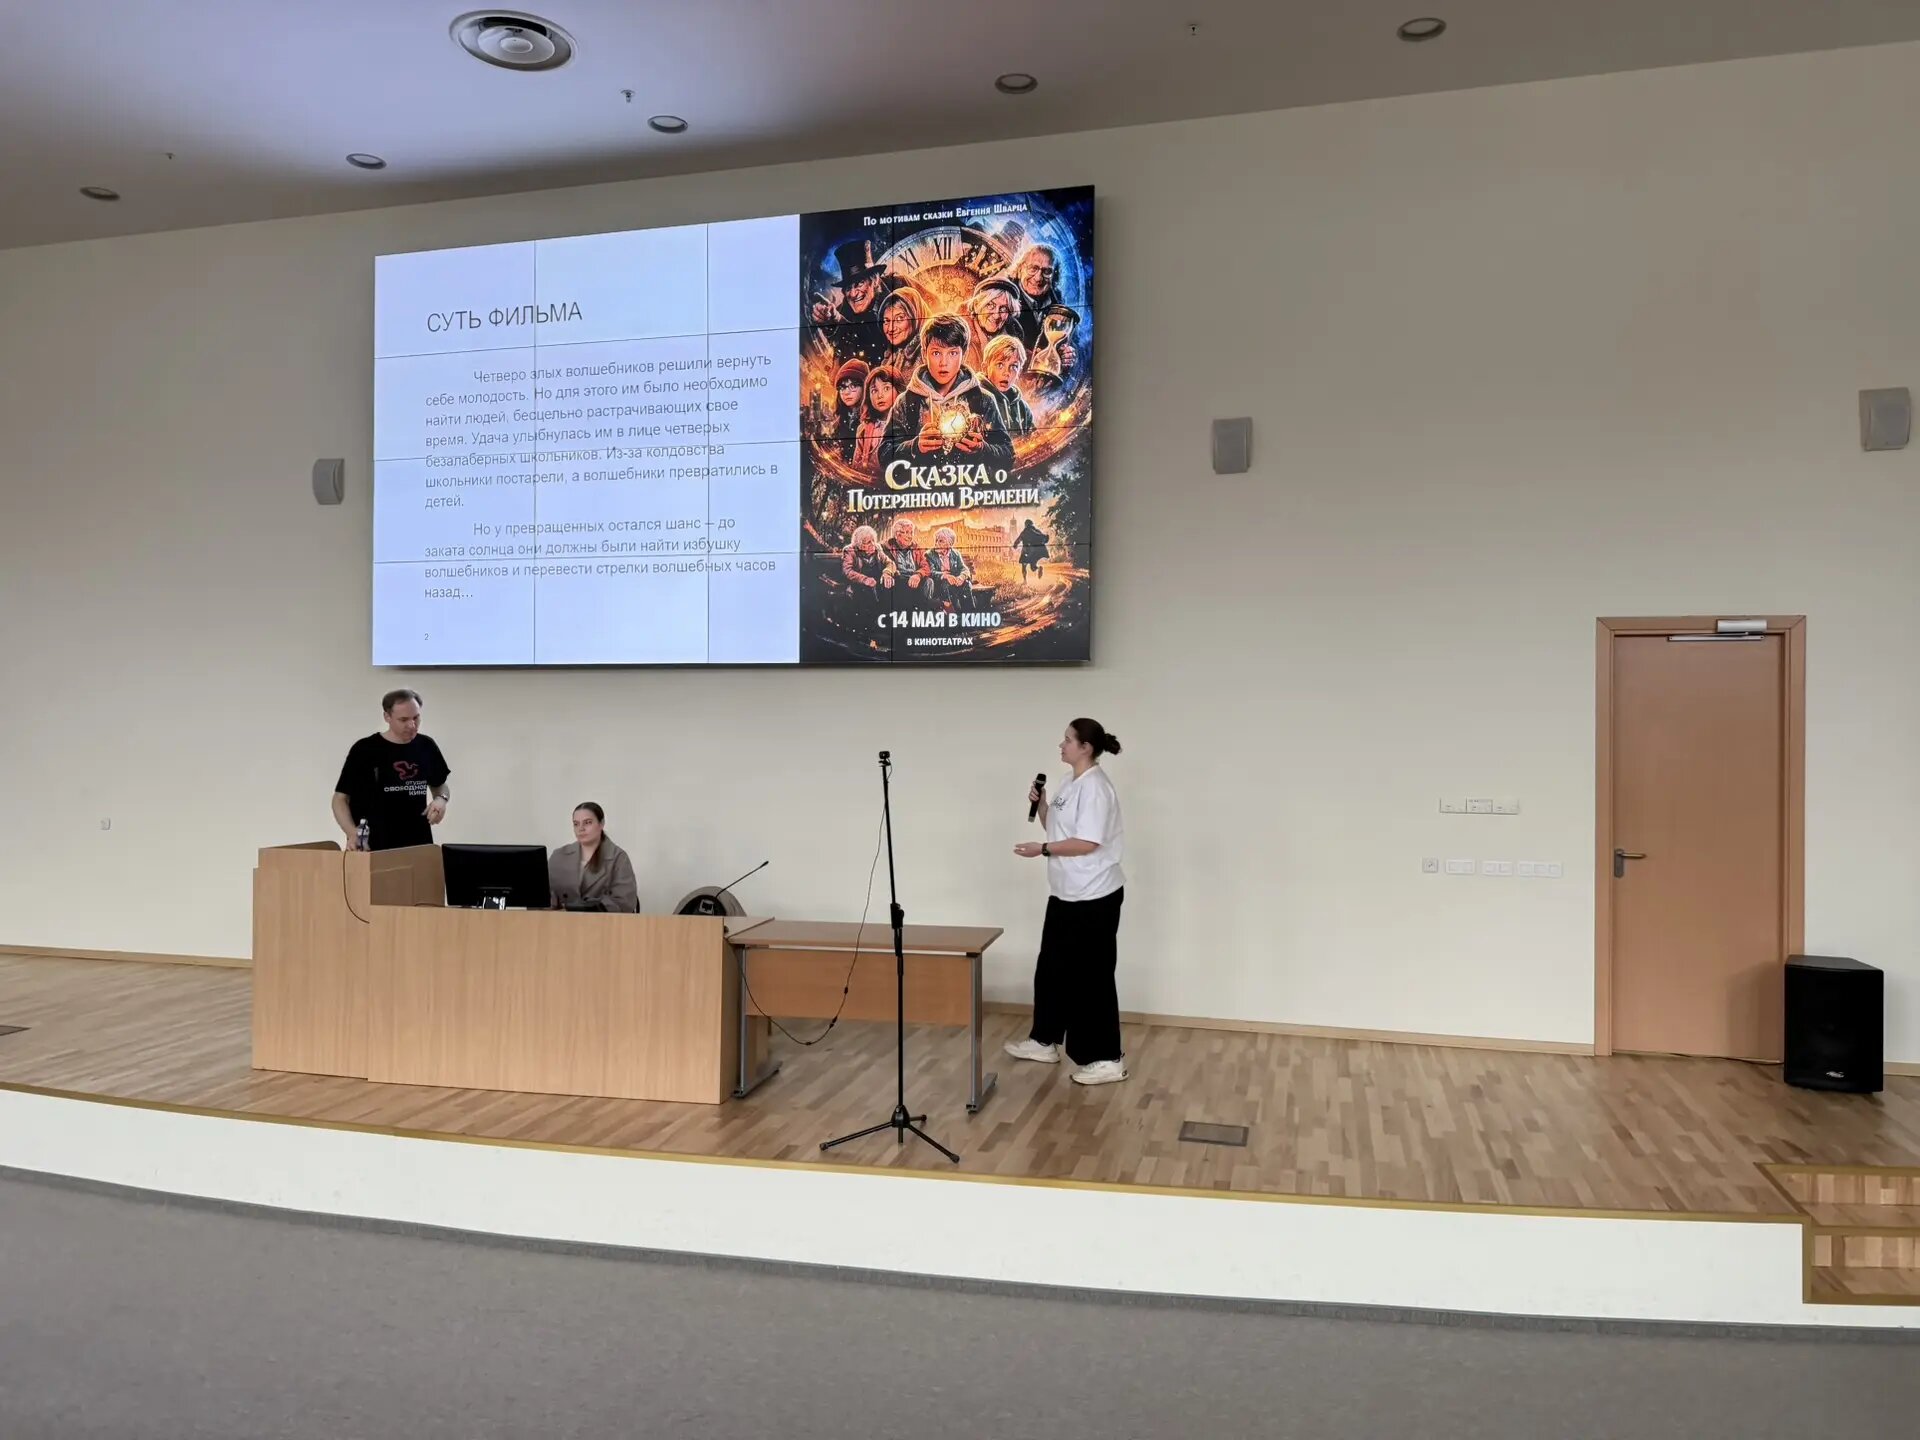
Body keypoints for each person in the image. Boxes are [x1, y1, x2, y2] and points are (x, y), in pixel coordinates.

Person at [1007, 718, 1127, 1085]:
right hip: (1065, 893)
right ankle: (1044, 1040)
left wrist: (1042, 849)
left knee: (1092, 977)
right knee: (1052, 968)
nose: (1061, 745)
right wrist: (1043, 805)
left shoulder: (1096, 788)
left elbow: (1087, 843)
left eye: (1068, 740)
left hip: (1094, 896)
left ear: (1086, 747)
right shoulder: (1068, 782)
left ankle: (1106, 1058)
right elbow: (1058, 830)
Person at [879, 313, 1014, 475]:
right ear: (924, 353)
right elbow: (885, 454)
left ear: (964, 354)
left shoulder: (984, 400)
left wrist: (982, 449)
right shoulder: (906, 401)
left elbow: (1008, 455)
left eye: (953, 353)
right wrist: (914, 447)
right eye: (936, 353)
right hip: (922, 488)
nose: (944, 363)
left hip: (970, 488)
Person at [331, 689, 451, 852]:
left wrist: (441, 800)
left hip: (417, 843)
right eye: (403, 719)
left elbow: (440, 785)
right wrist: (352, 833)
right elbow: (340, 799)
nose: (412, 725)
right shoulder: (365, 749)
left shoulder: (426, 746)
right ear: (387, 717)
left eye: (416, 717)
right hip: (372, 845)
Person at [548, 802, 639, 913]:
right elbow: (544, 896)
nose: (581, 828)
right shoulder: (558, 856)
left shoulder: (618, 858)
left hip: (601, 922)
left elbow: (624, 902)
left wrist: (581, 908)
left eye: (587, 822)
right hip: (560, 922)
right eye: (576, 824)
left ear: (601, 824)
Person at [850, 365, 901, 476]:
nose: (880, 395)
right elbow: (856, 469)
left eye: (886, 388)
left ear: (899, 391)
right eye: (874, 390)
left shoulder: (907, 423)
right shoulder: (864, 429)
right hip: (872, 482)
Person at [981, 334, 1034, 438]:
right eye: (1000, 365)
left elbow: (1033, 440)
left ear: (1019, 372)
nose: (1007, 373)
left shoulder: (1023, 408)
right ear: (985, 368)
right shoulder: (975, 398)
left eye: (1013, 366)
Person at [876, 288, 925, 383]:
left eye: (899, 319)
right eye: (886, 321)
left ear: (915, 317)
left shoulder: (927, 355)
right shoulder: (890, 357)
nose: (891, 328)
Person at [828, 358, 869, 459]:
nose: (846, 392)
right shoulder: (841, 417)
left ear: (864, 387)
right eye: (842, 387)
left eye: (853, 386)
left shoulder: (871, 418)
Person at [925, 525, 974, 609]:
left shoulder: (955, 554)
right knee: (945, 584)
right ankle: (951, 611)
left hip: (953, 583)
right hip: (939, 585)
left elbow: (964, 568)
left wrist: (961, 577)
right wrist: (945, 576)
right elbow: (930, 572)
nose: (936, 543)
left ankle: (969, 612)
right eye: (936, 540)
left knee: (966, 584)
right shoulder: (929, 554)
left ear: (950, 544)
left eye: (941, 541)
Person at [880, 515, 930, 595]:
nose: (910, 536)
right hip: (897, 580)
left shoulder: (917, 548)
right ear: (896, 534)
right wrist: (887, 573)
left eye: (911, 532)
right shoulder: (885, 547)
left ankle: (925, 603)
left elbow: (926, 566)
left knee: (929, 582)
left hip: (913, 580)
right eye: (906, 532)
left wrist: (918, 574)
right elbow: (883, 564)